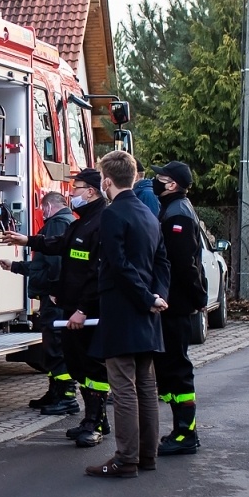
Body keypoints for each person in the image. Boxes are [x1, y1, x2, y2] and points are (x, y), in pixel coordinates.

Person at [6, 168, 109, 444]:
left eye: (75, 189)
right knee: (79, 365)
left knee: (93, 368)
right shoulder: (80, 222)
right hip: (74, 309)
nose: (71, 194)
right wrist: (27, 240)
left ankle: (95, 425)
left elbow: (97, 273)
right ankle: (95, 419)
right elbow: (58, 245)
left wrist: (83, 309)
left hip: (86, 312)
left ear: (90, 191)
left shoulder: (101, 222)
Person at [84, 150, 170, 479]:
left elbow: (118, 266)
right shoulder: (150, 214)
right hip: (148, 311)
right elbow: (162, 261)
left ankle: (125, 458)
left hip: (124, 309)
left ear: (106, 180)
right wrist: (158, 296)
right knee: (146, 386)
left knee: (122, 387)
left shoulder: (112, 214)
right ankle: (147, 455)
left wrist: (146, 297)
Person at [152, 161, 209, 455]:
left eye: (160, 178)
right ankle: (180, 430)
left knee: (178, 370)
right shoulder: (176, 208)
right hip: (175, 303)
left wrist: (198, 298)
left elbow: (183, 264)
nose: (155, 181)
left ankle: (187, 434)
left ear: (172, 184)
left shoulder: (177, 215)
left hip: (176, 305)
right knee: (172, 369)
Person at [9, 192, 76, 410]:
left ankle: (66, 396)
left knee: (56, 346)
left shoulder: (57, 224)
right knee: (52, 347)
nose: (42, 212)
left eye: (42, 208)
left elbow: (56, 263)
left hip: (54, 297)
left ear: (47, 207)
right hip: (53, 295)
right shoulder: (68, 222)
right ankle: (55, 392)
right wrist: (15, 266)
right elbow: (42, 266)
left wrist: (57, 290)